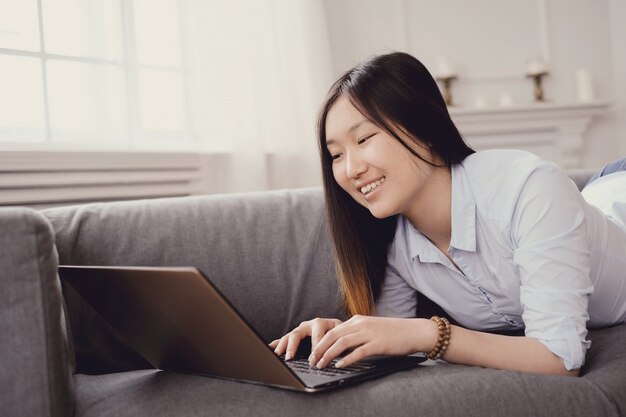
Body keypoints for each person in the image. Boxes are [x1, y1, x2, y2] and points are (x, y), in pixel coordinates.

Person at [269, 52, 626, 376]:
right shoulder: (397, 246)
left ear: (422, 129)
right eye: (336, 155)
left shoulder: (527, 188)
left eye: (363, 140)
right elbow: (391, 336)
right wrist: (339, 337)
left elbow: (561, 362)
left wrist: (432, 334)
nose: (350, 169)